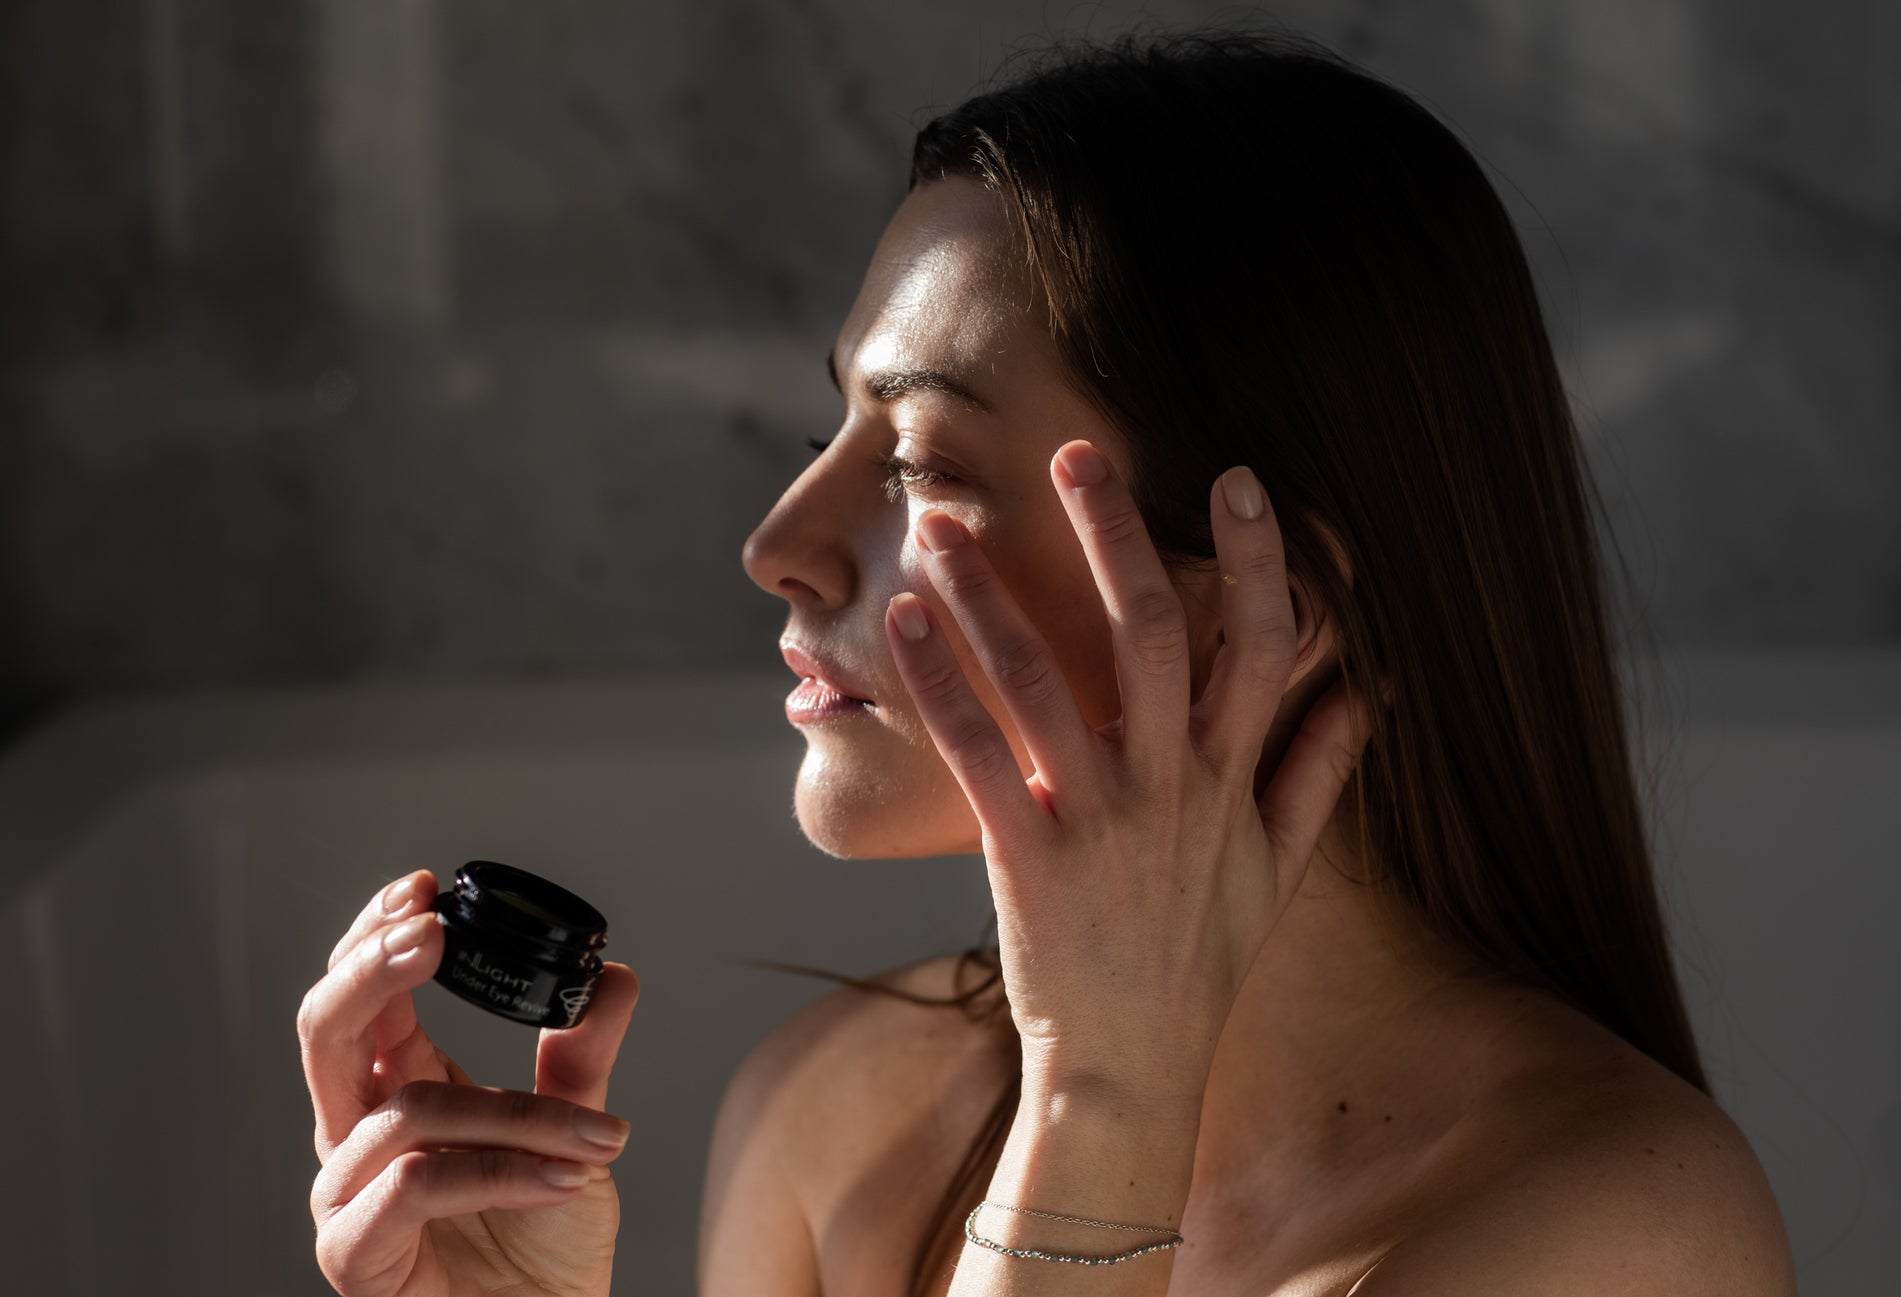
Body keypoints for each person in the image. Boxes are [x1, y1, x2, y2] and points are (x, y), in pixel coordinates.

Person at [299, 29, 1798, 1297]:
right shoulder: (827, 1116)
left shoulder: (1622, 1228)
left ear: (1268, 607)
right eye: (837, 433)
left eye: (927, 467)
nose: (778, 541)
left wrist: (1101, 1102)